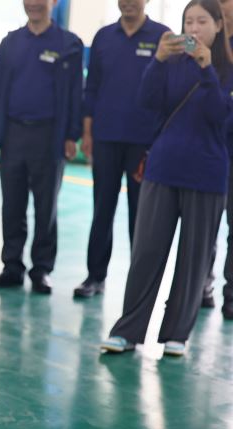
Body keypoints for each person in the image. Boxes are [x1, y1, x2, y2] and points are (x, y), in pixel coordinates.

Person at [101, 0, 233, 357]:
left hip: (206, 174)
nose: (194, 29)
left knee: (193, 257)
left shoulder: (225, 68)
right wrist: (157, 61)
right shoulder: (171, 63)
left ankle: (177, 334)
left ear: (218, 26)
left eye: (202, 21)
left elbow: (220, 117)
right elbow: (146, 101)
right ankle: (127, 331)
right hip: (163, 168)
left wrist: (206, 68)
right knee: (146, 252)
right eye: (188, 21)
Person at [0, 0, 83, 294]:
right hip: (13, 134)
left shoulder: (68, 44)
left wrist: (71, 135)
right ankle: (11, 265)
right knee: (12, 204)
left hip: (49, 136)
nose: (34, 4)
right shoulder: (10, 43)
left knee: (45, 206)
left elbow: (75, 93)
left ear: (53, 3)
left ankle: (42, 269)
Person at [74, 0, 169, 298]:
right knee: (102, 209)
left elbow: (169, 90)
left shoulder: (162, 36)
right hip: (106, 137)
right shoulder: (104, 37)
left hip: (144, 142)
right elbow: (92, 89)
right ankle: (95, 276)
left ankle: (139, 283)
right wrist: (87, 133)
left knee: (141, 215)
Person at [209, 0, 233, 319]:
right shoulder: (205, 47)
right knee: (204, 225)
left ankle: (231, 294)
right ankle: (201, 286)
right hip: (209, 147)